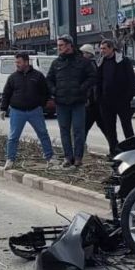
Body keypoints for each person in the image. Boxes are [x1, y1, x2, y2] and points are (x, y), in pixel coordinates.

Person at [46, 35, 96, 169]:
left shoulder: (82, 61)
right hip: (61, 102)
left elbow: (92, 77)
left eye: (61, 45)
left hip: (78, 102)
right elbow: (49, 79)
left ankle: (78, 158)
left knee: (79, 130)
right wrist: (54, 90)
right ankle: (68, 157)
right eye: (58, 45)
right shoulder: (56, 63)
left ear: (69, 45)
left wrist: (82, 88)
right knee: (64, 131)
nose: (59, 48)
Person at [0, 52, 56, 171]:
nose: (17, 65)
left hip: (35, 111)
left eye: (19, 62)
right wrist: (3, 109)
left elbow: (45, 91)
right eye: (16, 62)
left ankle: (50, 158)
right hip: (17, 111)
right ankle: (10, 160)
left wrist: (41, 103)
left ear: (26, 62)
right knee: (13, 136)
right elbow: (6, 94)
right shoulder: (13, 77)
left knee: (43, 134)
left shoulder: (38, 76)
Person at [96, 39, 135, 157]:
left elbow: (132, 80)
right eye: (101, 48)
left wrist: (127, 97)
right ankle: (114, 151)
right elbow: (98, 81)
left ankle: (132, 150)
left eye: (104, 48)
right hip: (106, 102)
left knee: (127, 127)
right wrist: (99, 98)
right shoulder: (101, 62)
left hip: (122, 101)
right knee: (110, 129)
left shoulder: (123, 61)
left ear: (111, 48)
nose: (102, 51)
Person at [80, 44, 102, 142]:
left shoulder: (90, 65)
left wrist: (88, 98)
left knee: (84, 128)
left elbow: (92, 84)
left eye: (83, 53)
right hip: (93, 102)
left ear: (88, 54)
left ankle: (81, 149)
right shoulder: (93, 64)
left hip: (92, 102)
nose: (81, 55)